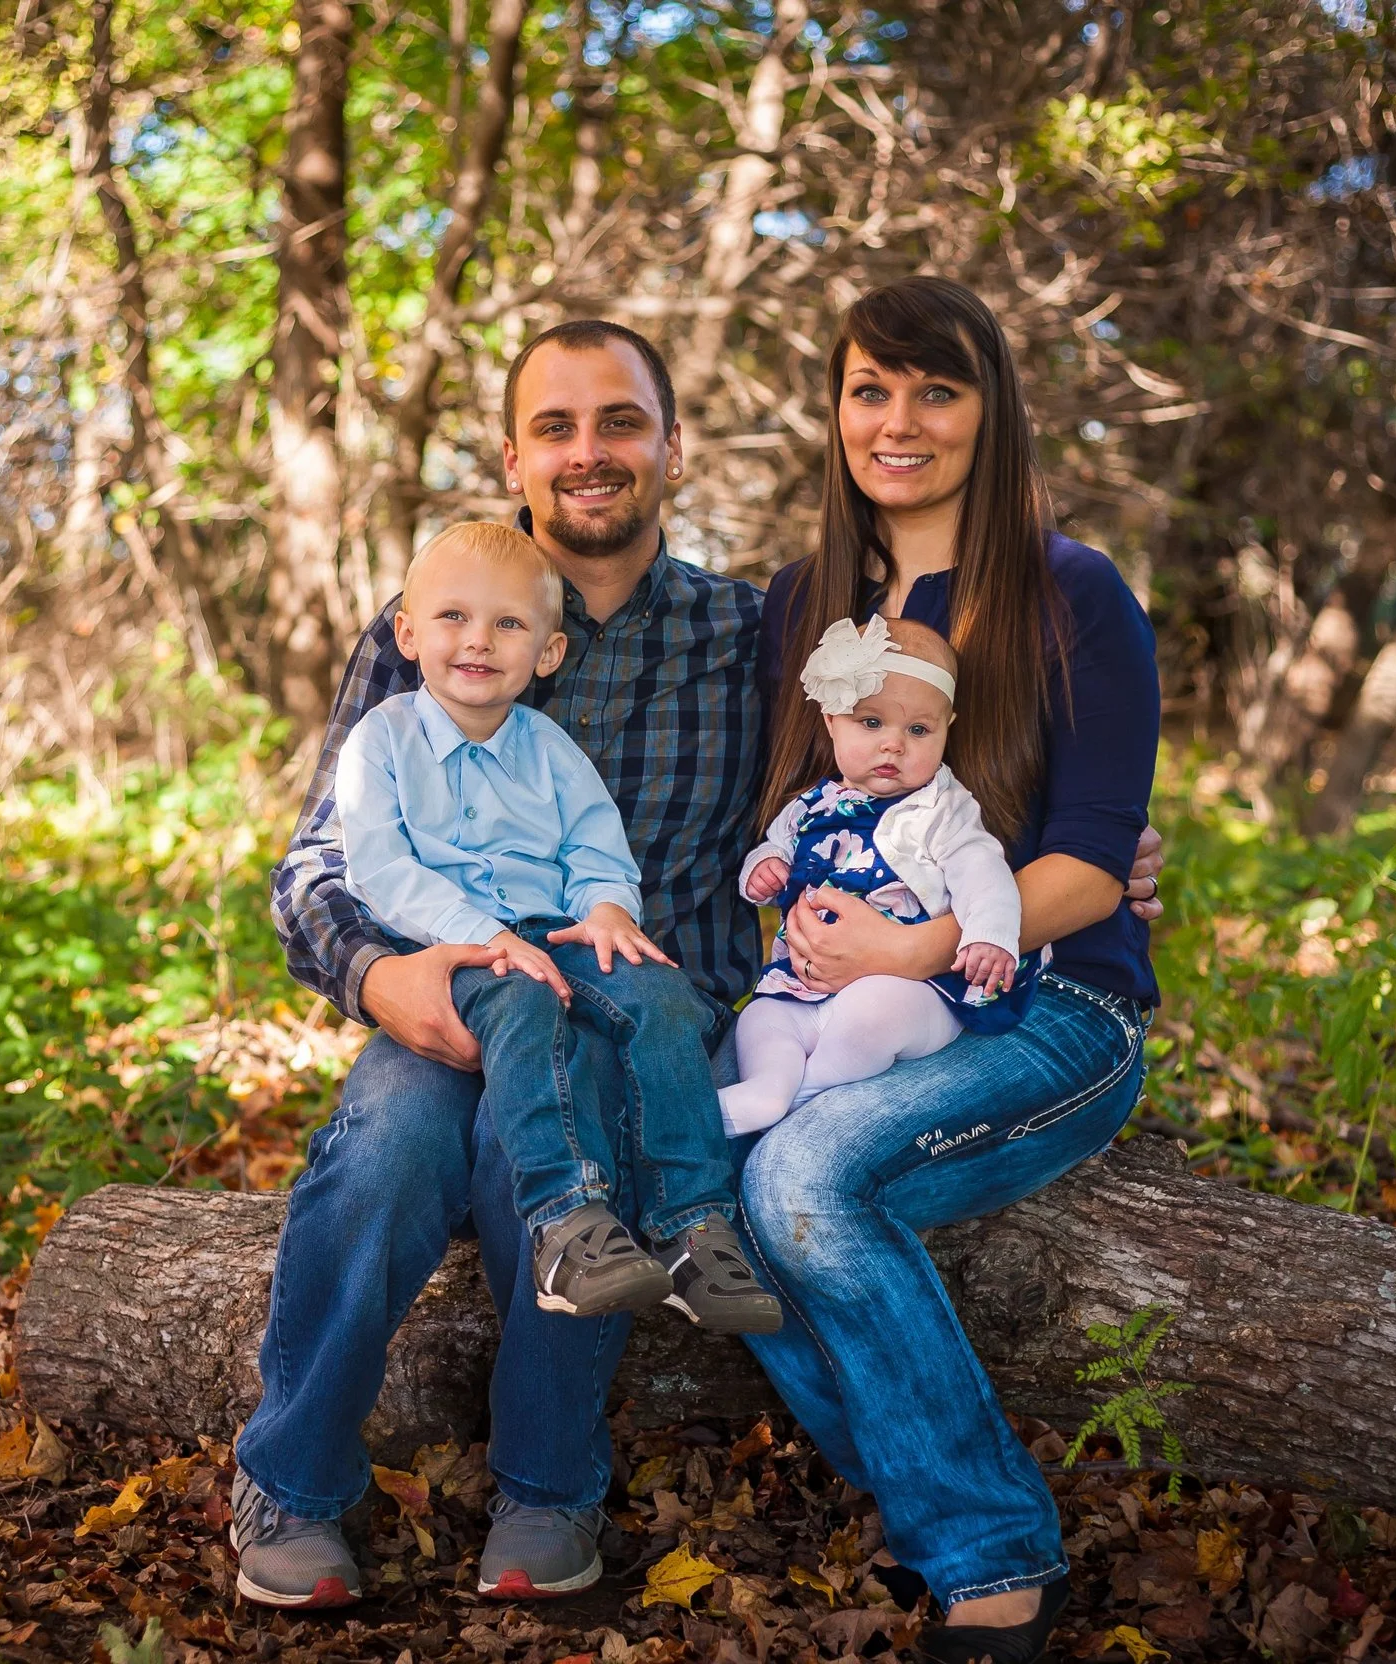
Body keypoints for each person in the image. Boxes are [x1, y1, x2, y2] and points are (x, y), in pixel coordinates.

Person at [237, 313, 1167, 1617]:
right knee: (389, 1145)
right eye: (556, 427)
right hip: (460, 992)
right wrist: (378, 980)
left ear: (676, 452)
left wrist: (1076, 856)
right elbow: (316, 866)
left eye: (621, 422)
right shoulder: (436, 624)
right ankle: (290, 1483)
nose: (589, 452)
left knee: (603, 1154)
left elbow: (889, 765)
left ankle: (551, 1491)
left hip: (642, 1012)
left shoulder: (751, 636)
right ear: (515, 456)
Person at [737, 275, 1162, 1664]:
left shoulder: (1075, 594)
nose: (898, 421)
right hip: (850, 1010)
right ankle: (921, 1462)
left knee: (801, 1177)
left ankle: (988, 1557)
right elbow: (797, 833)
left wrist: (921, 943)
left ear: (993, 413)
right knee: (707, 1172)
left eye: (937, 389)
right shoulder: (802, 605)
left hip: (1050, 1010)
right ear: (836, 410)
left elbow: (1095, 866)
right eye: (870, 389)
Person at [332, 520, 780, 1330]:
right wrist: (481, 937)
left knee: (664, 999)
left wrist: (609, 909)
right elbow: (379, 868)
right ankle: (567, 1221)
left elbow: (594, 846)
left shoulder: (549, 747)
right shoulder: (383, 740)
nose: (478, 641)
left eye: (507, 624)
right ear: (407, 631)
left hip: (561, 932)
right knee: (524, 1006)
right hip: (455, 952)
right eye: (453, 618)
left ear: (547, 652)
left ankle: (694, 1228)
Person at [721, 615, 1030, 1136]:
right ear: (830, 722)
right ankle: (764, 1090)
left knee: (874, 1011)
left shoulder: (941, 809)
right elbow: (774, 847)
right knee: (761, 1020)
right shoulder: (810, 805)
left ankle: (799, 1096)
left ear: (946, 729)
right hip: (804, 985)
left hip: (910, 986)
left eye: (917, 729)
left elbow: (984, 870)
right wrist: (764, 869)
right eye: (871, 723)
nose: (893, 745)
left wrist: (990, 935)